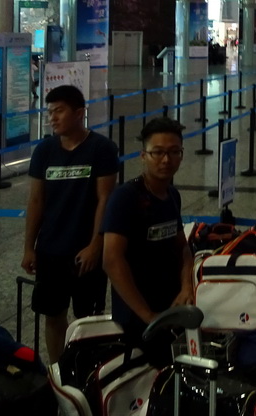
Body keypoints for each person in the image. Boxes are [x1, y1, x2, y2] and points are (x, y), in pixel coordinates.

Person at [22, 85, 119, 361]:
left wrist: (95, 245)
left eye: (59, 111)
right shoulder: (44, 151)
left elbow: (105, 200)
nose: (52, 118)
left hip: (85, 250)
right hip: (51, 248)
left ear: (79, 113)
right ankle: (58, 372)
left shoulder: (102, 149)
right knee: (53, 316)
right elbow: (36, 201)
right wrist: (30, 247)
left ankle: (87, 369)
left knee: (88, 317)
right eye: (49, 112)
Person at [102, 117, 194, 343]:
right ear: (143, 155)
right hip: (138, 316)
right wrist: (148, 316)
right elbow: (111, 260)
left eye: (174, 152)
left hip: (171, 306)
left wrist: (186, 287)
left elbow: (182, 247)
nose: (166, 160)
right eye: (158, 152)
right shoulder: (126, 197)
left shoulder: (172, 195)